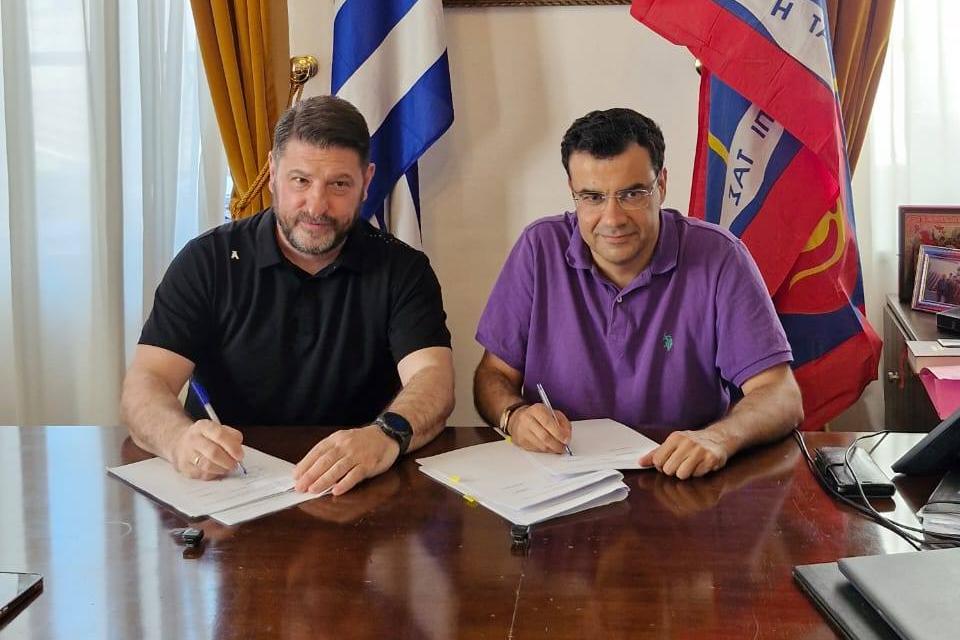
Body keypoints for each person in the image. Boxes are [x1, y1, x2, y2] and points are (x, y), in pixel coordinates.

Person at [121, 95, 454, 495]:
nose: (317, 206)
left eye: (339, 184)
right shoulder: (206, 261)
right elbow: (147, 381)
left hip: (351, 485)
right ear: (273, 173)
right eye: (301, 181)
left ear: (366, 183)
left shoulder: (403, 269)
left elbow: (433, 378)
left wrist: (386, 434)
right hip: (225, 486)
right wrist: (178, 439)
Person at [473, 108, 803, 480]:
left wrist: (719, 438)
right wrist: (514, 416)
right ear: (573, 193)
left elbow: (781, 394)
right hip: (560, 479)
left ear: (661, 185)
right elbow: (493, 375)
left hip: (682, 478)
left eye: (632, 194)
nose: (613, 219)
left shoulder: (720, 257)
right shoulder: (538, 249)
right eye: (592, 197)